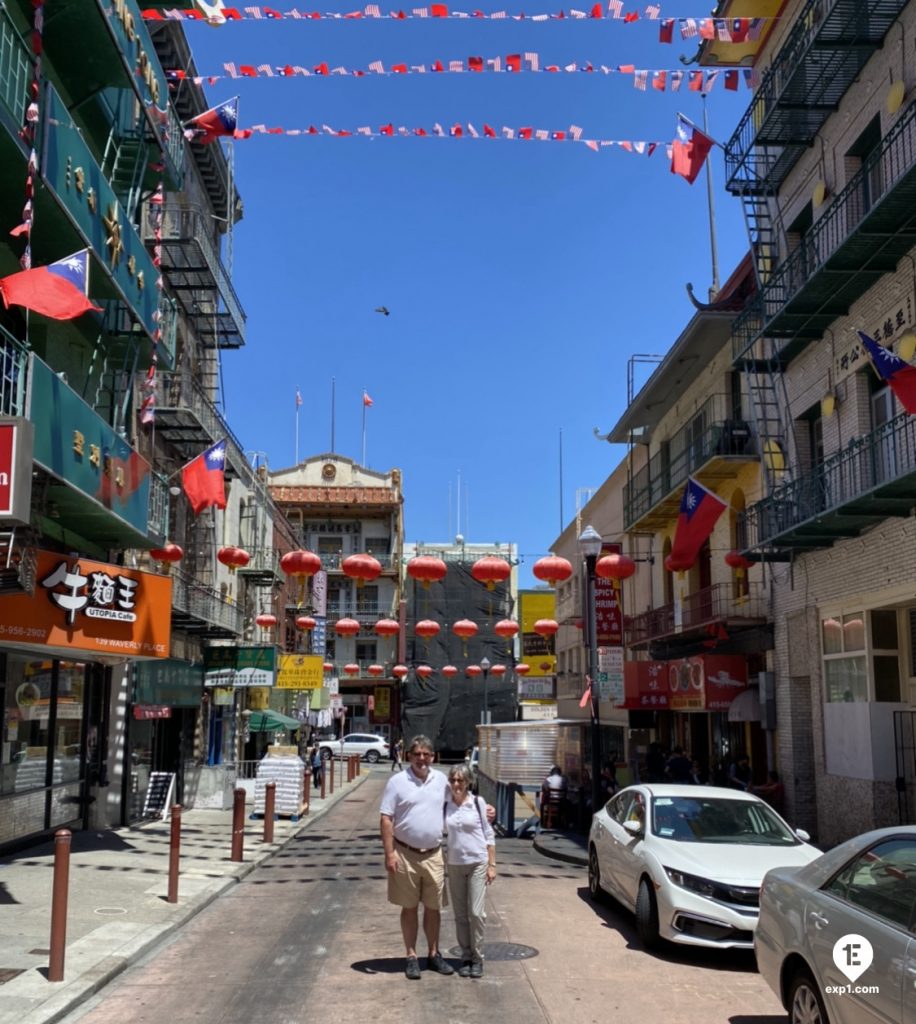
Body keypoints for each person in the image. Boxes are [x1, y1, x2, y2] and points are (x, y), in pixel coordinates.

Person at [379, 734, 495, 981]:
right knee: (409, 907)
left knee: (434, 908)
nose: (421, 758)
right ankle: (411, 956)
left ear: (432, 757)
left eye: (426, 754)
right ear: (409, 755)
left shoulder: (441, 780)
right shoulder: (397, 782)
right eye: (416, 753)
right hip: (405, 854)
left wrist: (485, 809)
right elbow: (386, 818)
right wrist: (389, 853)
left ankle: (433, 954)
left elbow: (459, 797)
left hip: (433, 855)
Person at [443, 764, 496, 979]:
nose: (457, 784)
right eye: (454, 780)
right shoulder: (445, 805)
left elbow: (489, 834)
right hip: (455, 864)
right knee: (460, 915)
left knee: (476, 913)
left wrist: (492, 865)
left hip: (477, 862)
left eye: (461, 780)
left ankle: (478, 958)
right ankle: (465, 956)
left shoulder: (477, 802)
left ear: (468, 782)